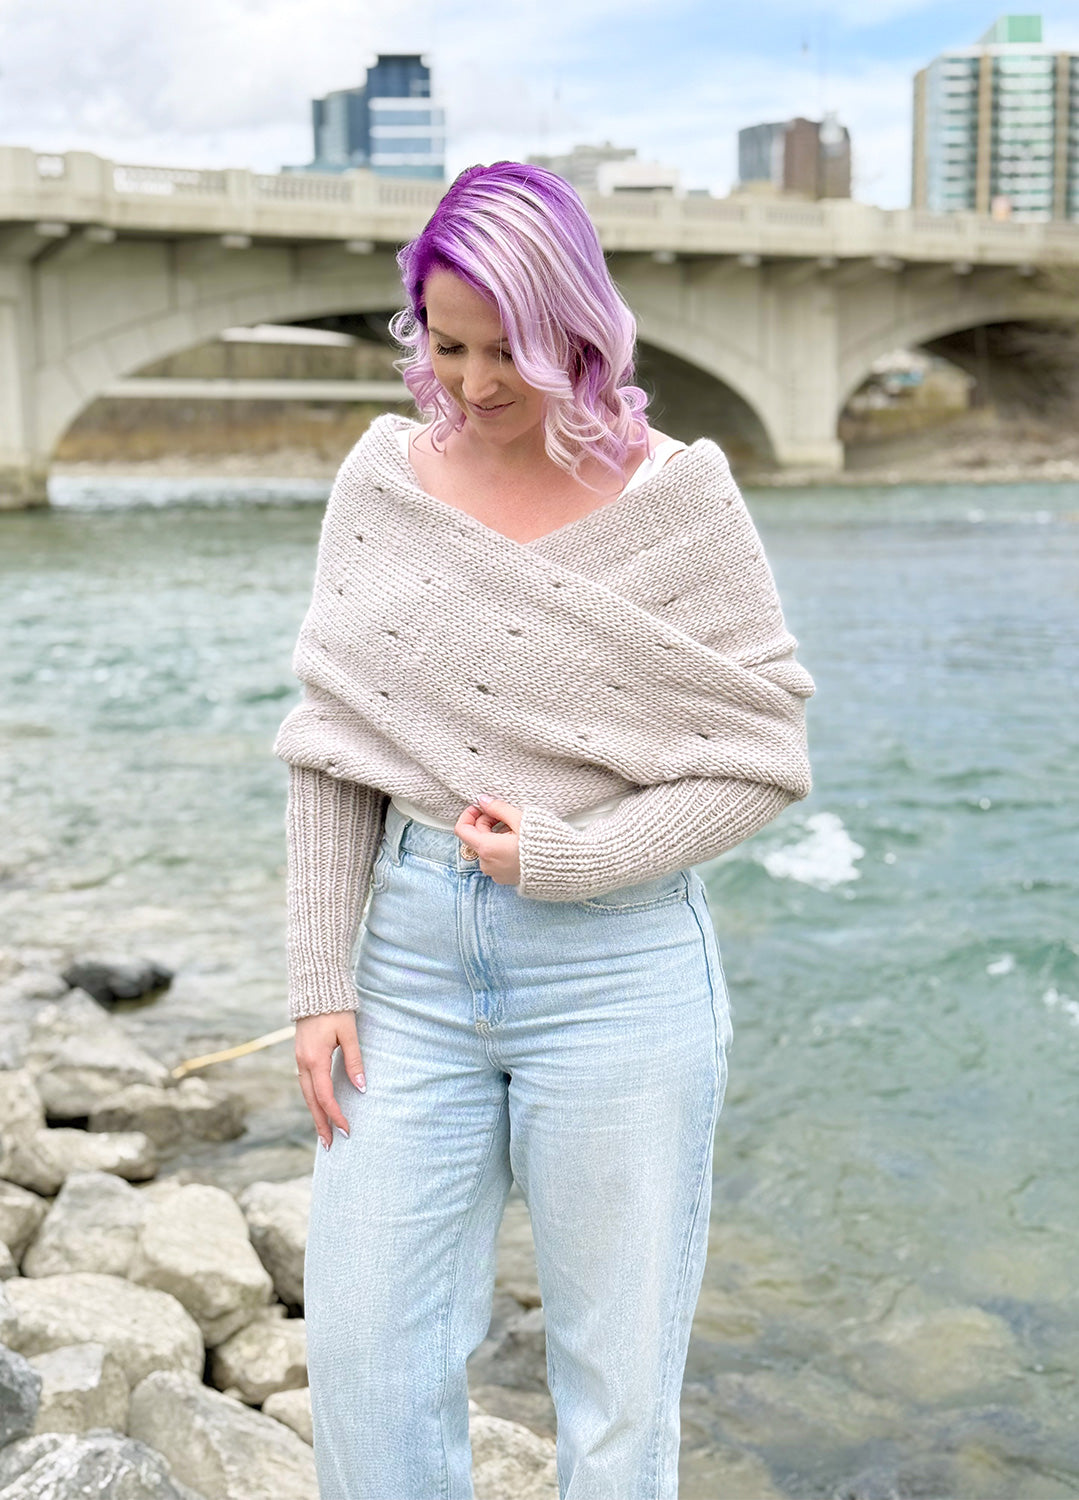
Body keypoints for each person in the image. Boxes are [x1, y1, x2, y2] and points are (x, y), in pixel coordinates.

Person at [274, 160, 814, 1500]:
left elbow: (762, 763)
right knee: (364, 1362)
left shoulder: (681, 501)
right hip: (407, 970)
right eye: (444, 344)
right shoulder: (383, 485)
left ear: (575, 324)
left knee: (617, 1400)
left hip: (620, 970)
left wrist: (578, 859)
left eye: (504, 347)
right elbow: (335, 743)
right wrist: (319, 978)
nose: (470, 383)